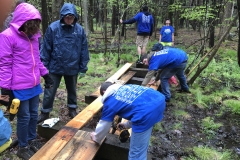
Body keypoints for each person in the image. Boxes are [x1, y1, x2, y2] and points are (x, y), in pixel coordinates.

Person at [0, 3, 53, 159]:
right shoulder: (7, 36)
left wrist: (46, 75)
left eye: (36, 25)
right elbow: (4, 64)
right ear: (23, 22)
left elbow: (37, 60)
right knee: (24, 117)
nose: (34, 29)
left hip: (34, 84)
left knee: (33, 114)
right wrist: (5, 89)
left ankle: (31, 139)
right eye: (31, 25)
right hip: (19, 86)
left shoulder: (35, 37)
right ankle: (22, 146)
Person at [38, 3, 90, 123]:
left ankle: (72, 108)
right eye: (67, 17)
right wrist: (44, 66)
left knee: (72, 90)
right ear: (62, 16)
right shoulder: (53, 28)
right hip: (55, 66)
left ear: (75, 17)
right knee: (49, 90)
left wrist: (83, 67)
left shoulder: (79, 30)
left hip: (72, 66)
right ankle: (45, 112)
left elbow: (83, 49)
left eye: (71, 17)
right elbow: (46, 48)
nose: (69, 19)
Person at [90, 82, 166, 160]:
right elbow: (138, 107)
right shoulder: (126, 87)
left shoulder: (110, 101)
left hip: (146, 112)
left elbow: (104, 124)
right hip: (159, 100)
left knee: (136, 154)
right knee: (143, 134)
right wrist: (126, 125)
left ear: (104, 92)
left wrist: (96, 137)